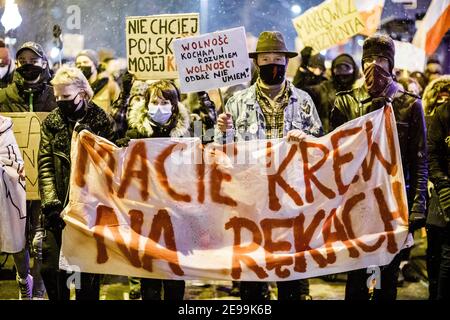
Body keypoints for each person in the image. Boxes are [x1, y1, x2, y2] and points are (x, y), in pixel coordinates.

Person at [214, 31, 322, 300]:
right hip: (252, 204)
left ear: (286, 61)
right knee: (251, 281)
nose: (272, 64)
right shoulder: (236, 103)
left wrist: (308, 139)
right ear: (256, 63)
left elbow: (320, 148)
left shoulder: (304, 102)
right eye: (265, 59)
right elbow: (224, 155)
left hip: (292, 203)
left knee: (292, 279)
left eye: (277, 58)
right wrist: (222, 131)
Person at [330, 34, 428, 300]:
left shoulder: (409, 105)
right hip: (356, 206)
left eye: (381, 59)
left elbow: (420, 160)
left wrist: (418, 204)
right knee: (357, 280)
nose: (375, 65)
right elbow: (332, 155)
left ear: (392, 64)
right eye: (369, 60)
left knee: (385, 280)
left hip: (394, 205)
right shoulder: (345, 102)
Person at [38, 66, 116, 300]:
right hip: (58, 210)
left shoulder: (101, 120)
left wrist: (92, 140)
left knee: (85, 278)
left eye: (66, 96)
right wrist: (50, 201)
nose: (60, 101)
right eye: (57, 96)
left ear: (82, 93)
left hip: (88, 212)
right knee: (52, 271)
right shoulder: (52, 122)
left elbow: (111, 165)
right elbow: (45, 164)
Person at [117, 80, 190, 300]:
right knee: (149, 277)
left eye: (165, 101)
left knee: (175, 277)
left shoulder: (187, 136)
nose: (159, 106)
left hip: (177, 216)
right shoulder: (134, 133)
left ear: (174, 105)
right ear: (146, 104)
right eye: (154, 101)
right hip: (146, 215)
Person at [0, 41, 57, 299]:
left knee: (41, 238)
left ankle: (40, 285)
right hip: (13, 178)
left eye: (33, 61)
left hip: (45, 175)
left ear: (43, 63)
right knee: (16, 236)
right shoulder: (3, 96)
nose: (28, 65)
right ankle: (24, 278)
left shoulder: (55, 96)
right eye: (22, 61)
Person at [422, 75, 450, 299]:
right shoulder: (430, 118)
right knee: (435, 254)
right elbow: (429, 158)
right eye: (438, 100)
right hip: (435, 195)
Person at [0, 115, 29, 299]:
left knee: (17, 246)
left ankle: (24, 280)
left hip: (8, 196)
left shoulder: (5, 130)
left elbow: (15, 164)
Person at [303, 53, 359, 133]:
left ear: (354, 70)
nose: (342, 73)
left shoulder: (359, 92)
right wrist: (303, 71)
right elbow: (300, 93)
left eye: (347, 68)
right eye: (338, 69)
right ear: (333, 71)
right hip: (327, 140)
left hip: (352, 140)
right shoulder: (325, 89)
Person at [75, 49, 120, 114]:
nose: (82, 65)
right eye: (78, 64)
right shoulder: (74, 86)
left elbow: (119, 108)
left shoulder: (109, 84)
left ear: (94, 64)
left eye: (85, 62)